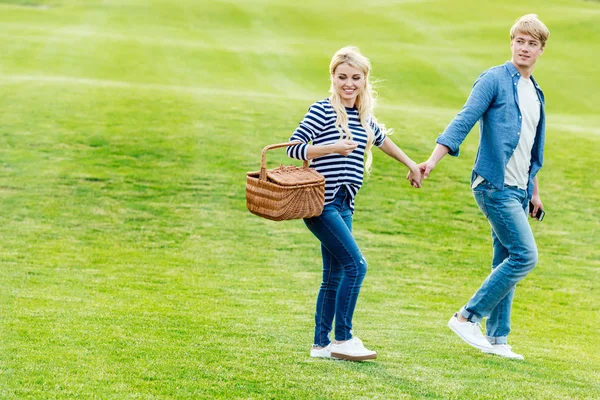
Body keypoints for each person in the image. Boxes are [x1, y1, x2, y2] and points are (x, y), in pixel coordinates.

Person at [416, 14, 550, 360]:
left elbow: (530, 146)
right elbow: (465, 118)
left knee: (505, 258)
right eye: (519, 40)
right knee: (525, 255)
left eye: (531, 43)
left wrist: (534, 192)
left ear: (540, 50)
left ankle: (498, 339)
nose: (524, 48)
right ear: (511, 43)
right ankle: (466, 317)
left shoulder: (536, 93)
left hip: (519, 190)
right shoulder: (494, 79)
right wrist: (433, 160)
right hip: (493, 185)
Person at [287, 46, 422, 361]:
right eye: (342, 77)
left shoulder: (363, 116)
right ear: (332, 77)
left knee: (333, 275)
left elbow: (381, 139)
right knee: (356, 266)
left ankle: (321, 345)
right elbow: (294, 148)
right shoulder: (321, 110)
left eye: (356, 78)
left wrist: (411, 164)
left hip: (345, 202)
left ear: (364, 80)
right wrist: (331, 148)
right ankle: (343, 338)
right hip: (322, 203)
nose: (349, 83)